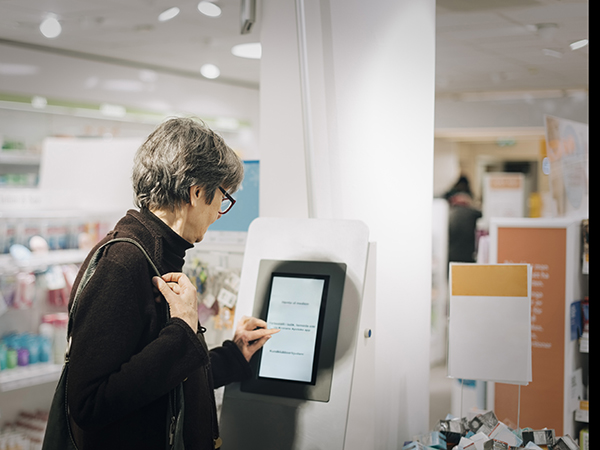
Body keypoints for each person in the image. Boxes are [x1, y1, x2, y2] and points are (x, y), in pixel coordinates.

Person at [66, 117, 279, 450]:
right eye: (222, 197)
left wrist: (233, 356)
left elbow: (161, 375)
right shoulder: (123, 263)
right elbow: (89, 404)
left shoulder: (156, 255)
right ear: (196, 192)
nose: (219, 213)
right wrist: (182, 328)